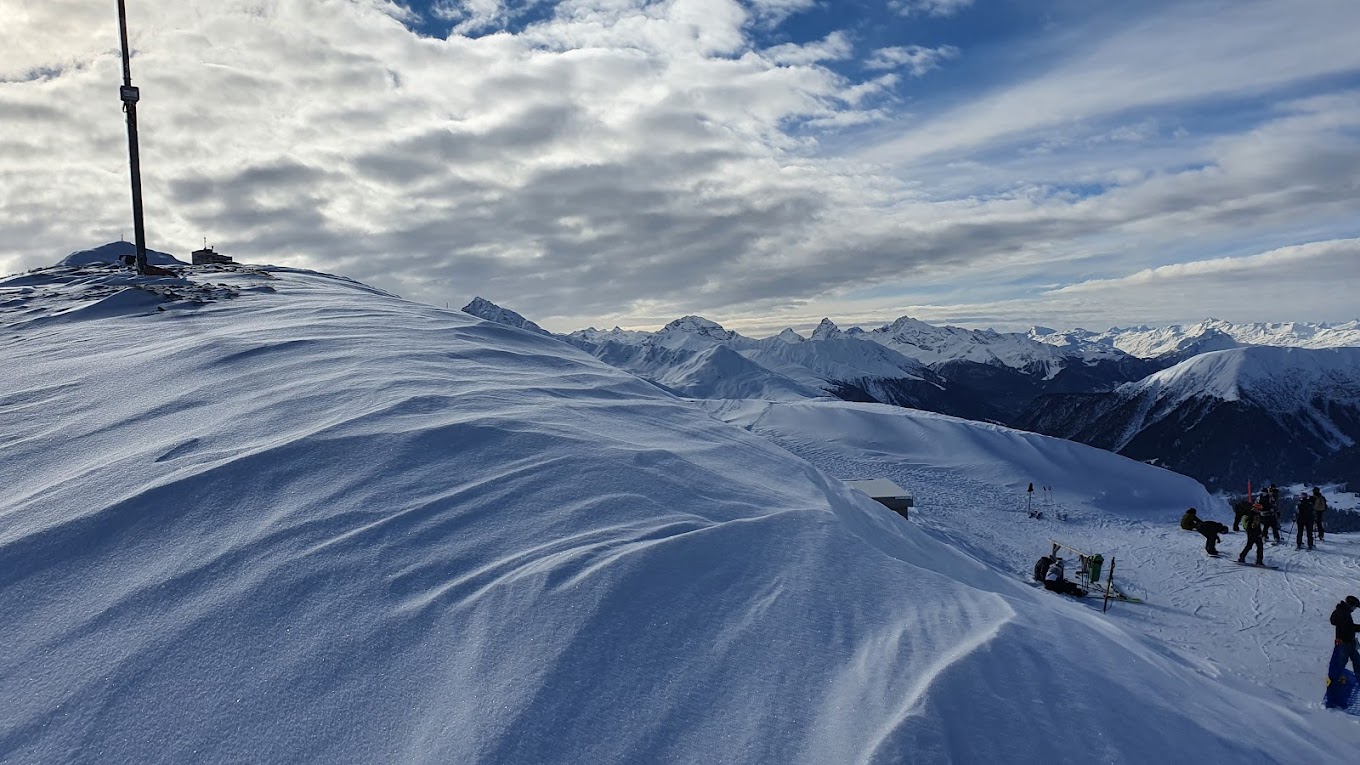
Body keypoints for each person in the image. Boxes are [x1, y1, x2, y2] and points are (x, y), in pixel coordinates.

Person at [1331, 595, 1360, 675]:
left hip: (1349, 641)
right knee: (1341, 662)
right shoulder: (1342, 612)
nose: (1354, 609)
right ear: (1350, 605)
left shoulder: (1343, 611)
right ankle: (1336, 679)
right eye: (1354, 607)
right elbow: (1348, 627)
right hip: (1344, 642)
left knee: (1357, 660)